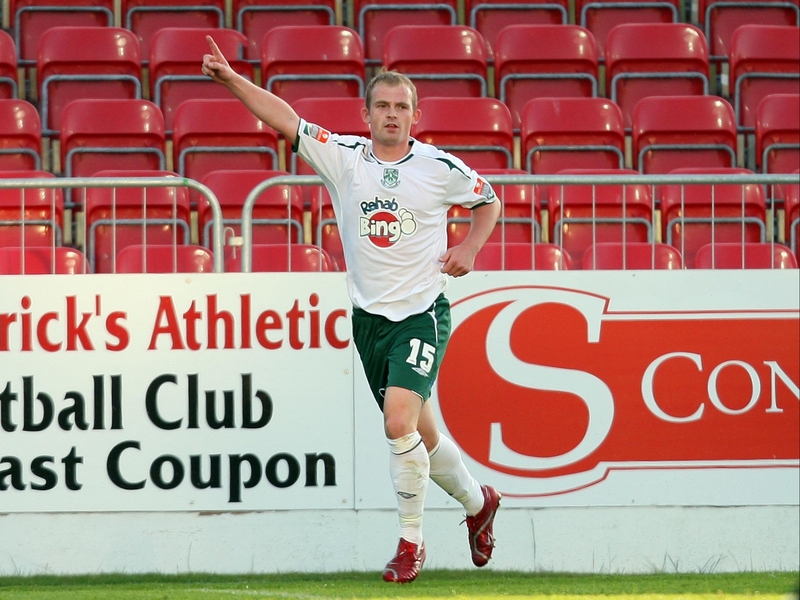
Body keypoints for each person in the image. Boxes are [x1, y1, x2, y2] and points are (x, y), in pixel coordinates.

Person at [202, 36, 502, 584]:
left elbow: (489, 201)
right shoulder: (344, 158)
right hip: (369, 322)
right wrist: (231, 79)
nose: (392, 114)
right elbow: (285, 118)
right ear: (366, 114)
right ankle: (480, 503)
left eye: (401, 106)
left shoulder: (439, 167)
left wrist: (470, 247)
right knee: (422, 437)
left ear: (415, 116)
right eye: (382, 105)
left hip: (421, 313)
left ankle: (410, 544)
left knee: (397, 423)